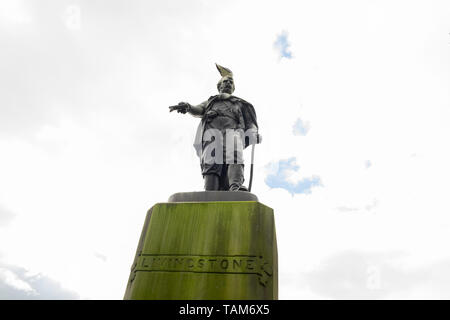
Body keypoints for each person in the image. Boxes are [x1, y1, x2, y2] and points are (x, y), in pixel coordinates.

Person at [169, 64, 261, 191]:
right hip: (212, 132)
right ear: (220, 86)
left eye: (231, 82)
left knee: (235, 156)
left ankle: (235, 186)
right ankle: (210, 190)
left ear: (233, 87)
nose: (228, 83)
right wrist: (188, 107)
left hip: (233, 132)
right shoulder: (212, 101)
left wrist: (253, 133)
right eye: (225, 81)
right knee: (211, 160)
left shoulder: (240, 103)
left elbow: (250, 123)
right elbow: (199, 109)